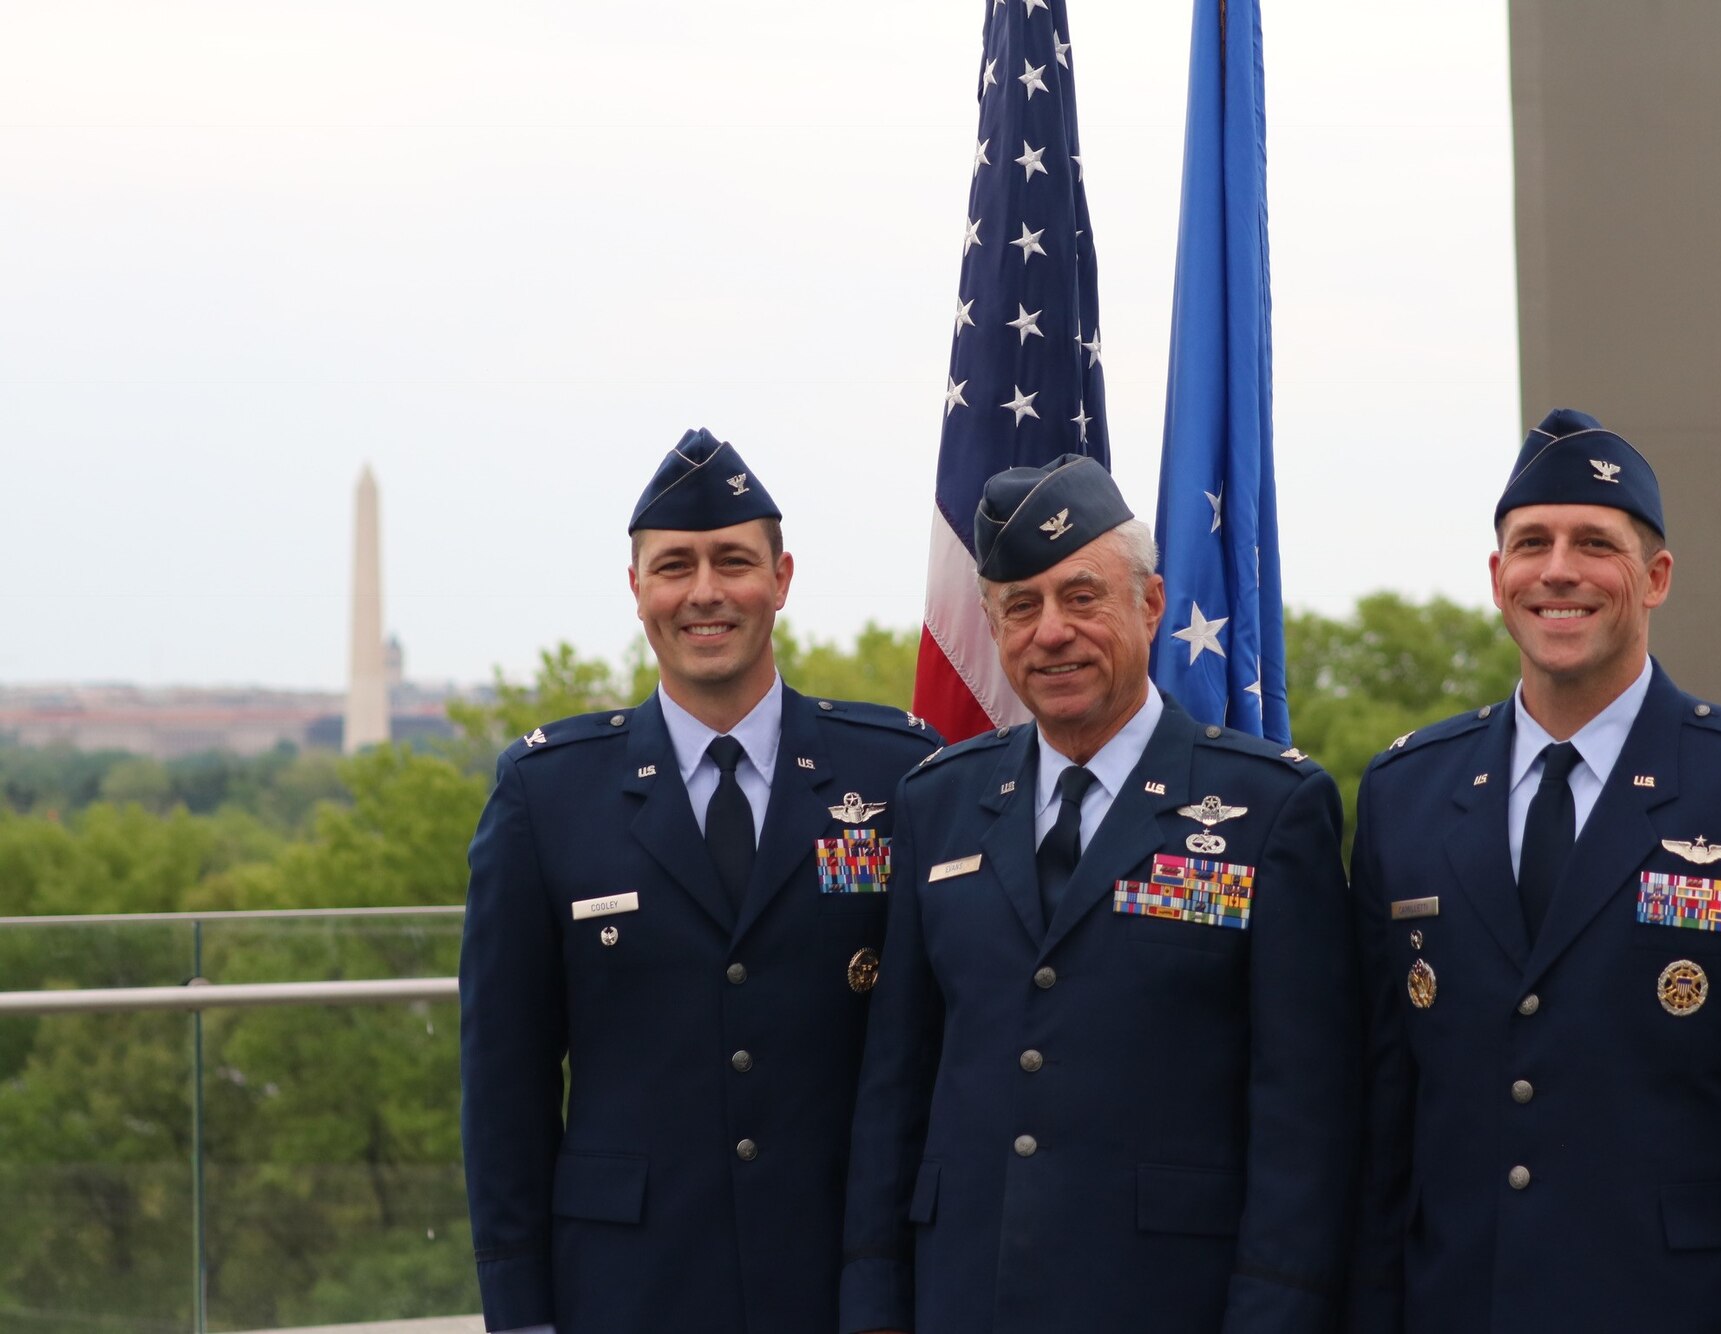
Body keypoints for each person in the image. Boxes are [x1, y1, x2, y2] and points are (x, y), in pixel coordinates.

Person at [1344, 409, 1721, 1333]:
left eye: (1595, 542)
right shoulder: (1408, 792)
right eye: (1531, 544)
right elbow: (1382, 1116)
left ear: (1656, 577)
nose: (1558, 570)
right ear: (1496, 577)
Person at [840, 454, 1359, 1334]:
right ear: (996, 632)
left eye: (1082, 598)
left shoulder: (1270, 810)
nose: (1052, 632)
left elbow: (1304, 1124)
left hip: (1169, 1302)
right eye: (1020, 607)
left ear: (1150, 605)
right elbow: (896, 1089)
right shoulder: (940, 804)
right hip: (965, 1297)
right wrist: (874, 1307)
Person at [458, 428, 943, 1333]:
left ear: (783, 579)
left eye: (733, 562)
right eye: (674, 567)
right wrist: (519, 1312)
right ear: (637, 589)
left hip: (846, 1282)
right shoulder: (546, 794)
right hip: (627, 1286)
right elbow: (505, 1087)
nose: (706, 593)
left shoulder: (898, 776)